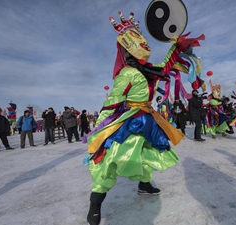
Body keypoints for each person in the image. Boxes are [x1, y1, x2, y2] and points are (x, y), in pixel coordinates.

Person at [83, 10, 204, 225]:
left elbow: (165, 67)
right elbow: (112, 101)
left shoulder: (149, 70)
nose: (142, 42)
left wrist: (176, 47)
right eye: (136, 38)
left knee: (146, 154)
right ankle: (96, 202)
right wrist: (100, 129)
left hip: (148, 118)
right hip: (129, 120)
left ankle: (144, 184)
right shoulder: (127, 73)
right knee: (112, 159)